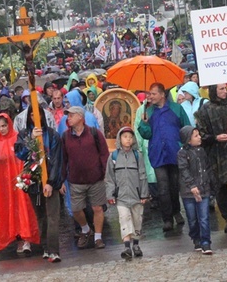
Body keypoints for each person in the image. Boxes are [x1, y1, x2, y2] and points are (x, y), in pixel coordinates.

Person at [0, 113, 40, 254]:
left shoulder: (17, 138)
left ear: (9, 124)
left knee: (23, 208)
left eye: (4, 125)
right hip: (3, 184)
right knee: (7, 211)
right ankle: (18, 239)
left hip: (19, 180)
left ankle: (27, 239)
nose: (2, 129)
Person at [138, 83, 190, 231]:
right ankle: (167, 218)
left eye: (153, 93)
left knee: (174, 186)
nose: (150, 96)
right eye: (149, 94)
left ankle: (176, 211)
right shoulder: (148, 111)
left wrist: (185, 147)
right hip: (158, 153)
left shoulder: (176, 109)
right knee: (162, 188)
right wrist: (144, 123)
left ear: (162, 94)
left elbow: (185, 128)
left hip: (175, 152)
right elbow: (146, 134)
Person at [15, 106, 64, 262]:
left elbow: (57, 161)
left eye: (37, 114)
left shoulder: (52, 135)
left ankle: (54, 250)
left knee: (53, 216)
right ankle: (45, 247)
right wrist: (31, 138)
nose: (34, 117)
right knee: (41, 216)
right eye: (31, 114)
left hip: (50, 181)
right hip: (33, 182)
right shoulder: (23, 134)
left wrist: (51, 182)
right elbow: (21, 154)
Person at [193, 84, 227, 233]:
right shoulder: (205, 110)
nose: (224, 91)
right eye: (221, 89)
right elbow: (201, 133)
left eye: (225, 88)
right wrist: (214, 138)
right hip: (216, 153)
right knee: (220, 186)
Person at [61, 106, 109, 249]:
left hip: (96, 178)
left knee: (98, 208)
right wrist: (62, 180)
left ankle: (98, 238)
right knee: (76, 209)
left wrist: (105, 173)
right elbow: (63, 159)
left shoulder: (94, 133)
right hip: (76, 180)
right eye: (67, 116)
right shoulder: (65, 136)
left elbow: (104, 154)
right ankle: (86, 230)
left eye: (71, 116)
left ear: (80, 117)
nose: (68, 118)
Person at [105, 127, 149, 260]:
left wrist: (144, 194)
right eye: (125, 137)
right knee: (124, 218)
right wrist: (110, 195)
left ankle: (136, 244)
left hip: (136, 195)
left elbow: (142, 175)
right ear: (119, 139)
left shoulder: (137, 155)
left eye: (130, 137)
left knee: (137, 219)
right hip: (122, 196)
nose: (128, 140)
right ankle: (126, 246)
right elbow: (110, 178)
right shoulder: (113, 157)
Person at [177, 125, 214, 255]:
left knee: (204, 217)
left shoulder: (202, 151)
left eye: (199, 135)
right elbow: (184, 170)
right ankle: (196, 237)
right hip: (188, 192)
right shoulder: (182, 153)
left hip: (203, 189)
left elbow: (207, 168)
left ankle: (206, 242)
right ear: (188, 139)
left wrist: (210, 184)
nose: (199, 138)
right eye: (196, 136)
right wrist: (192, 185)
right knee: (192, 219)